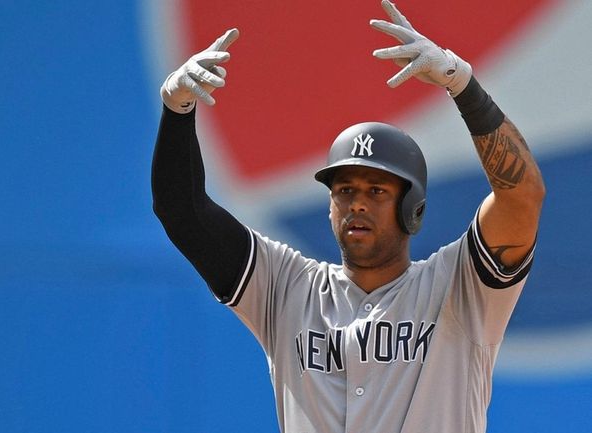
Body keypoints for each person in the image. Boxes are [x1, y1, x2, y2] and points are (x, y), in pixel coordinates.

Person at [151, 1, 545, 432]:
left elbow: (522, 197)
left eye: (376, 190)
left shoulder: (459, 286)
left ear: (413, 207)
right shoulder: (286, 288)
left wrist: (463, 86)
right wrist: (177, 112)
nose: (357, 203)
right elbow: (183, 212)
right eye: (345, 190)